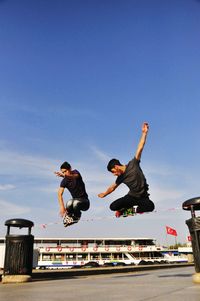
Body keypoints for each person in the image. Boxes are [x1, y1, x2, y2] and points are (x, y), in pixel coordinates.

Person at [98, 122, 155, 217]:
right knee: (113, 206)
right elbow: (113, 187)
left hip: (143, 198)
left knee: (151, 206)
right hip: (131, 197)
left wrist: (144, 133)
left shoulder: (133, 163)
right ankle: (124, 210)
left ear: (116, 167)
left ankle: (127, 211)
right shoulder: (121, 177)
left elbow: (140, 148)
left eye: (113, 172)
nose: (114, 174)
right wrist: (105, 194)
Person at [55, 161, 90, 227]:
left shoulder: (76, 172)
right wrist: (62, 207)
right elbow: (59, 194)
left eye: (65, 171)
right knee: (69, 203)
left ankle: (77, 217)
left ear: (70, 169)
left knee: (75, 203)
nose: (64, 173)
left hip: (85, 202)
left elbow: (75, 177)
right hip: (75, 201)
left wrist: (64, 175)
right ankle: (69, 218)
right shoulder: (64, 181)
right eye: (63, 172)